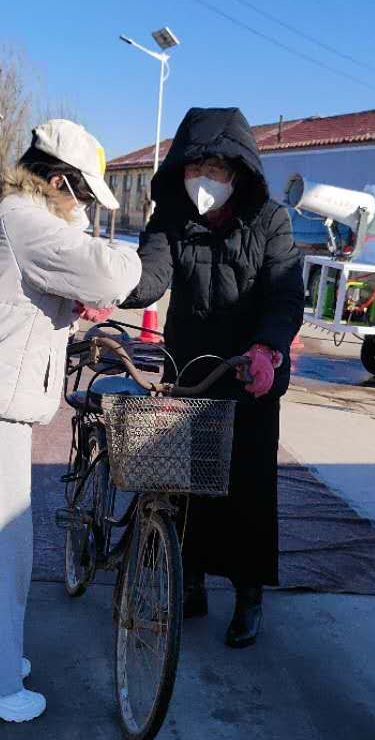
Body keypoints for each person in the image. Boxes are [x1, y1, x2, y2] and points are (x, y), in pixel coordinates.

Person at [0, 120, 141, 723]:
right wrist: (141, 255)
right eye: (82, 195)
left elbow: (25, 299)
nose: (83, 209)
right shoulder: (25, 219)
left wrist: (64, 305)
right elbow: (111, 274)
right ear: (57, 181)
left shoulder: (3, 215)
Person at [112, 107, 304, 648]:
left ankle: (248, 596)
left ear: (238, 172)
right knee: (181, 484)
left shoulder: (270, 219)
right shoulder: (171, 215)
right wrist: (109, 286)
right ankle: (188, 583)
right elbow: (150, 276)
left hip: (249, 371)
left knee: (247, 487)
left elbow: (286, 293)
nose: (205, 180)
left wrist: (267, 349)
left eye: (217, 170)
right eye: (196, 169)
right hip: (189, 368)